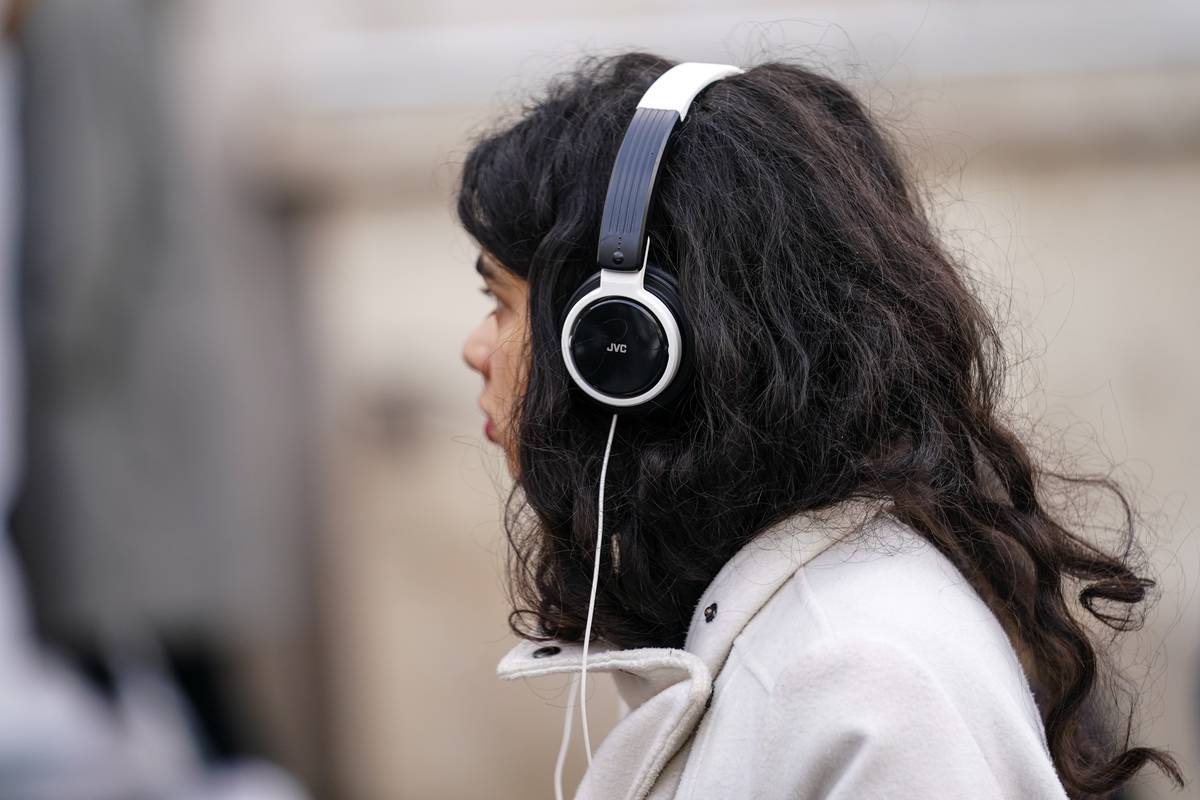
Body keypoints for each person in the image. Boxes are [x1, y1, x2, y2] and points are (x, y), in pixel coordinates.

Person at [458, 52, 1181, 799]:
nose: (475, 348)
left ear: (625, 340)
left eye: (503, 302)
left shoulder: (861, 676)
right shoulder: (794, 643)